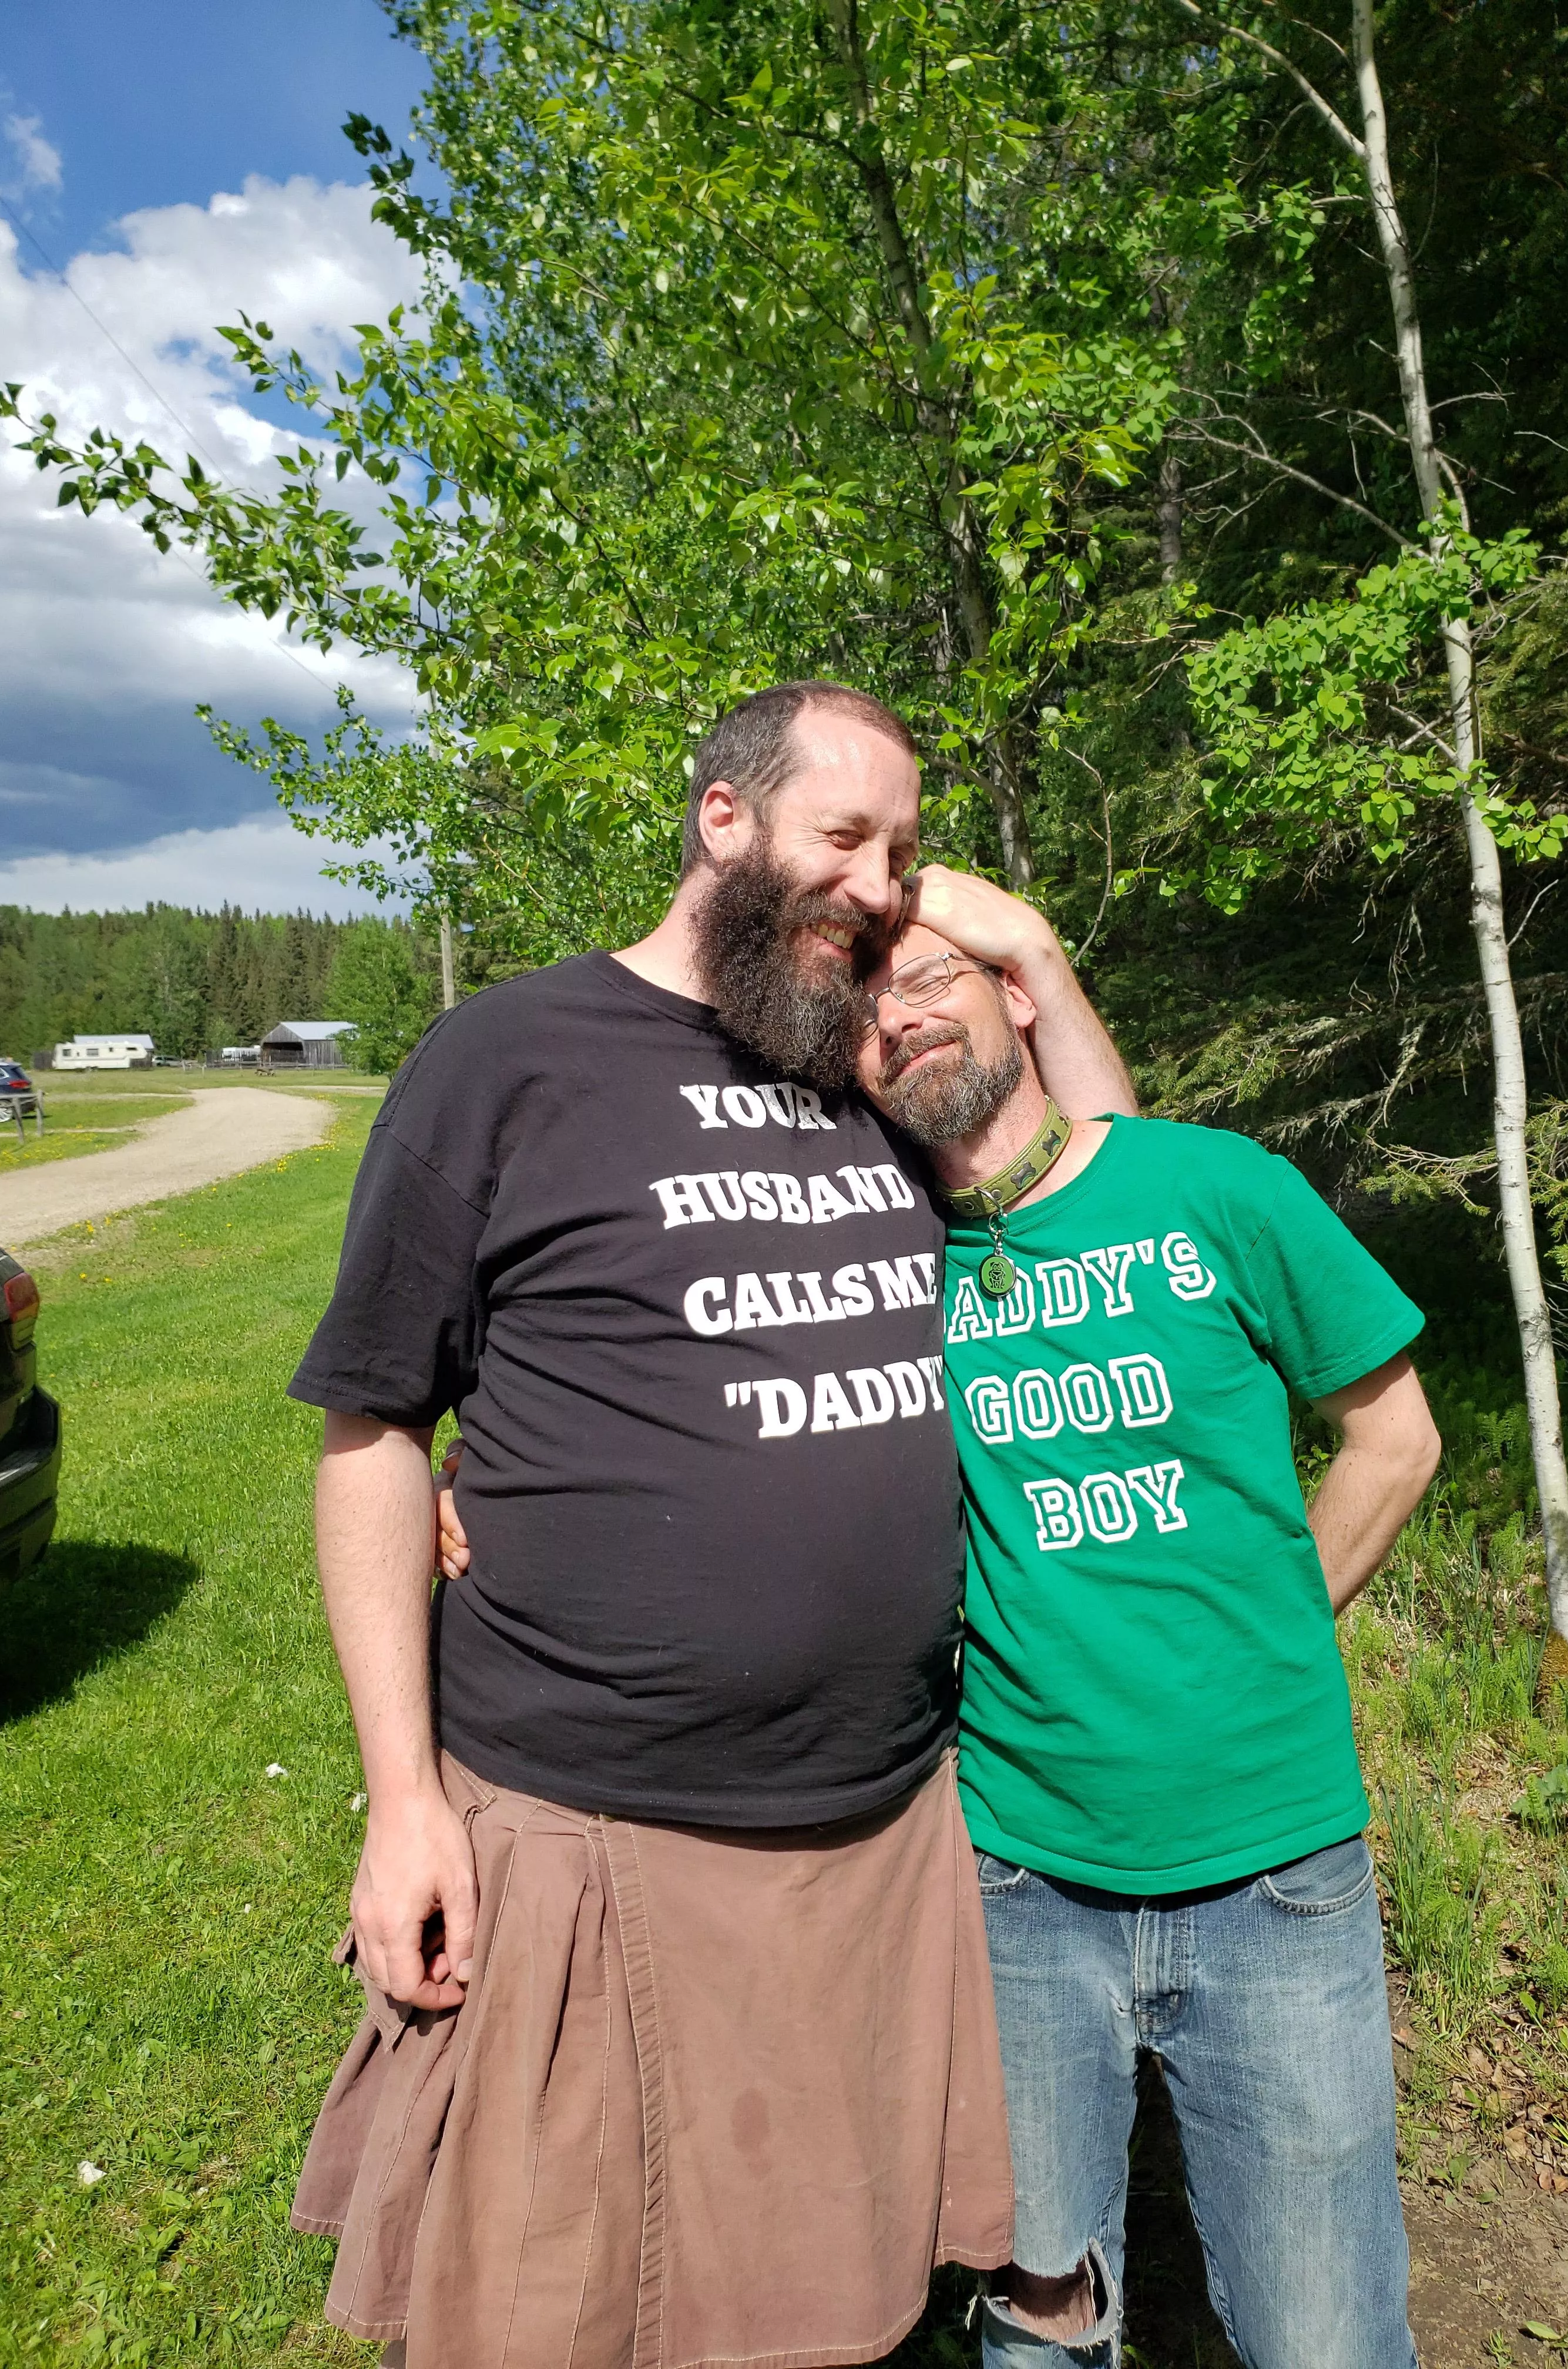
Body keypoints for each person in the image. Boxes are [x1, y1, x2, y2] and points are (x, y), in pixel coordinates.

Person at [287, 680, 1137, 2369]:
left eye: (905, 853)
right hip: (594, 1820)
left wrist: (1035, 956)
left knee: (833, 2300)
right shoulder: (510, 1057)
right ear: (723, 818)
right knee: (558, 2308)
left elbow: (1107, 1202)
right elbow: (373, 1424)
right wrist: (403, 1801)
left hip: (879, 1817)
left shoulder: (868, 1066)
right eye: (847, 837)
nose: (880, 887)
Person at [852, 919, 1441, 2369]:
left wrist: (1268, 1638)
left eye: (930, 975)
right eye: (864, 1006)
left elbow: (1394, 1440)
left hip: (1277, 1870)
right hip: (1019, 1877)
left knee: (1327, 2336)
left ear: (1013, 994)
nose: (901, 1018)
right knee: (1038, 2323)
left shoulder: (1214, 1187)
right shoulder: (882, 1266)